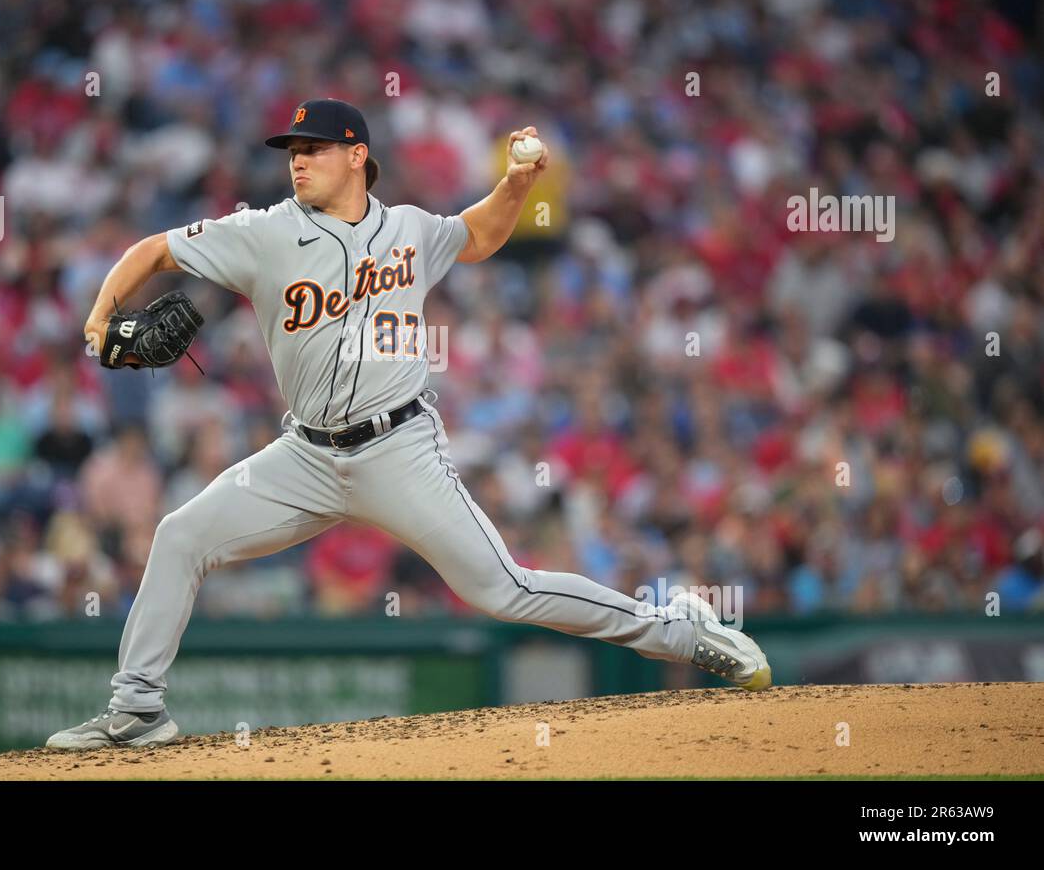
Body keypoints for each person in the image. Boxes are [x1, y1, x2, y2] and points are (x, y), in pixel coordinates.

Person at [47, 98, 771, 750]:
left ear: (358, 155)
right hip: (303, 455)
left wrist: (518, 183)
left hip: (399, 448)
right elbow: (155, 250)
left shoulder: (410, 230)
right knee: (180, 535)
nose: (297, 160)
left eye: (315, 148)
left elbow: (478, 235)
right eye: (292, 151)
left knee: (503, 590)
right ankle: (137, 709)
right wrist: (99, 315)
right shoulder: (263, 233)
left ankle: (680, 630)